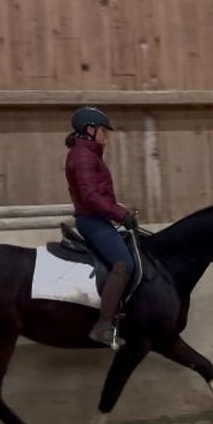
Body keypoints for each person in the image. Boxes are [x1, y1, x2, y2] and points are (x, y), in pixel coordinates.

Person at [64, 105, 139, 349]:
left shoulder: (87, 154)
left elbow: (97, 195)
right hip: (92, 221)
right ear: (90, 129)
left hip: (97, 218)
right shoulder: (83, 156)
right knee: (123, 264)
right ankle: (103, 326)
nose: (106, 136)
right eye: (103, 131)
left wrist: (121, 210)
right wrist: (120, 215)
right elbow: (89, 196)